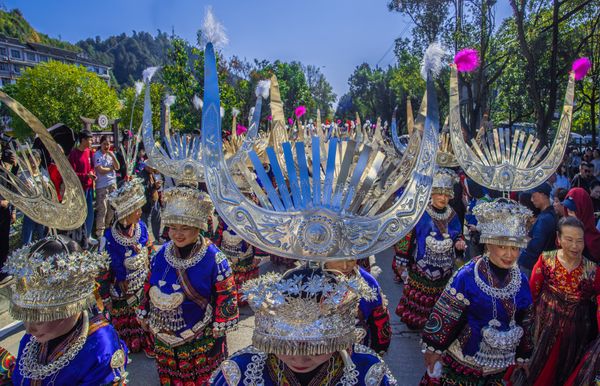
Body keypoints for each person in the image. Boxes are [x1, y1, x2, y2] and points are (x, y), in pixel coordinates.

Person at [210, 267, 397, 385]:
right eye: (287, 347)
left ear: (339, 340)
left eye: (314, 349)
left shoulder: (368, 372)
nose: (299, 360)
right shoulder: (240, 372)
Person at [421, 199, 534, 385]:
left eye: (515, 248)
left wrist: (524, 355)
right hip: (464, 361)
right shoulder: (467, 275)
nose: (509, 255)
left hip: (500, 367)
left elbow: (526, 320)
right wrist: (434, 348)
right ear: (488, 244)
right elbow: (447, 313)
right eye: (502, 247)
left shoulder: (520, 280)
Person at [136, 186, 239, 385]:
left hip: (201, 338)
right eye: (173, 227)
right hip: (163, 335)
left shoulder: (215, 259)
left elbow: (226, 297)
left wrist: (219, 336)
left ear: (198, 227)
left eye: (185, 228)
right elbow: (148, 284)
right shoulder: (161, 254)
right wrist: (144, 310)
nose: (178, 234)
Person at [509, 216, 600, 385]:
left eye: (579, 241)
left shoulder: (592, 269)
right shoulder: (546, 260)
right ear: (558, 238)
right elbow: (532, 293)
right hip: (543, 326)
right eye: (569, 239)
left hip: (575, 332)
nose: (575, 246)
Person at [394, 168, 465, 330]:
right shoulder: (420, 212)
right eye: (439, 194)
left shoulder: (452, 215)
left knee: (438, 300)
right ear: (431, 193)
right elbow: (407, 236)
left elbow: (458, 235)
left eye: (447, 195)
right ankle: (415, 320)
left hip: (444, 268)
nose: (443, 198)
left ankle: (435, 323)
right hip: (421, 265)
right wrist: (402, 259)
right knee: (418, 297)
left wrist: (459, 243)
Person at [101, 177, 154, 356]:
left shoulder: (142, 228)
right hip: (121, 289)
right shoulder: (109, 237)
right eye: (136, 209)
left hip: (142, 283)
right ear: (125, 213)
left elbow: (150, 249)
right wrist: (107, 294)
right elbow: (105, 270)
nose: (140, 213)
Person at [325, 259, 392, 354]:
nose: (345, 266)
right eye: (338, 260)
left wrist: (377, 351)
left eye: (351, 259)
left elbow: (380, 323)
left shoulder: (367, 281)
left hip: (355, 349)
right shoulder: (308, 280)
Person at [518, 182, 558, 276]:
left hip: (531, 265)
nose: (531, 200)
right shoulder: (550, 214)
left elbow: (535, 246)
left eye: (533, 196)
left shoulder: (544, 219)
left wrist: (524, 240)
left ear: (542, 195)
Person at [68, 129, 96, 243]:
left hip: (89, 187)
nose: (91, 141)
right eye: (90, 139)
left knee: (90, 212)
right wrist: (86, 175)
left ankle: (88, 236)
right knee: (81, 214)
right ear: (83, 140)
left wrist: (92, 174)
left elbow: (92, 167)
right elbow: (72, 173)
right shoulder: (74, 154)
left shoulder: (89, 152)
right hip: (79, 189)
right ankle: (81, 238)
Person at [94, 135, 120, 247]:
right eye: (104, 144)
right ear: (100, 144)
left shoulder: (110, 155)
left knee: (111, 208)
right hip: (102, 185)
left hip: (112, 184)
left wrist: (113, 156)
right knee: (102, 209)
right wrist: (111, 168)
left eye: (108, 144)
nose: (106, 146)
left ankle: (108, 229)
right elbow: (100, 170)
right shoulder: (97, 155)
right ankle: (99, 233)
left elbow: (117, 167)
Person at [562, 187, 600, 262]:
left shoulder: (594, 241)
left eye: (573, 211)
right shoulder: (563, 231)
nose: (569, 214)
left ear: (584, 211)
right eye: (567, 210)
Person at [19, 149, 47, 245]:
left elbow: (48, 193)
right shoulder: (23, 175)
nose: (33, 164)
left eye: (35, 161)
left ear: (39, 161)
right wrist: (24, 187)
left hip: (42, 209)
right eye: (31, 161)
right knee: (27, 237)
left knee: (42, 235)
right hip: (29, 210)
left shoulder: (44, 175)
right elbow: (19, 192)